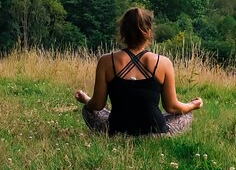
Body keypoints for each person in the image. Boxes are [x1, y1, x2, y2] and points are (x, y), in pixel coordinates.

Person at [74, 7, 203, 136]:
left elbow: (97, 105)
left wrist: (86, 99)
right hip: (155, 132)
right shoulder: (164, 63)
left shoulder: (106, 61)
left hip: (117, 130)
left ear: (123, 32)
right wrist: (192, 105)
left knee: (87, 109)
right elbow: (172, 107)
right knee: (186, 114)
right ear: (149, 32)